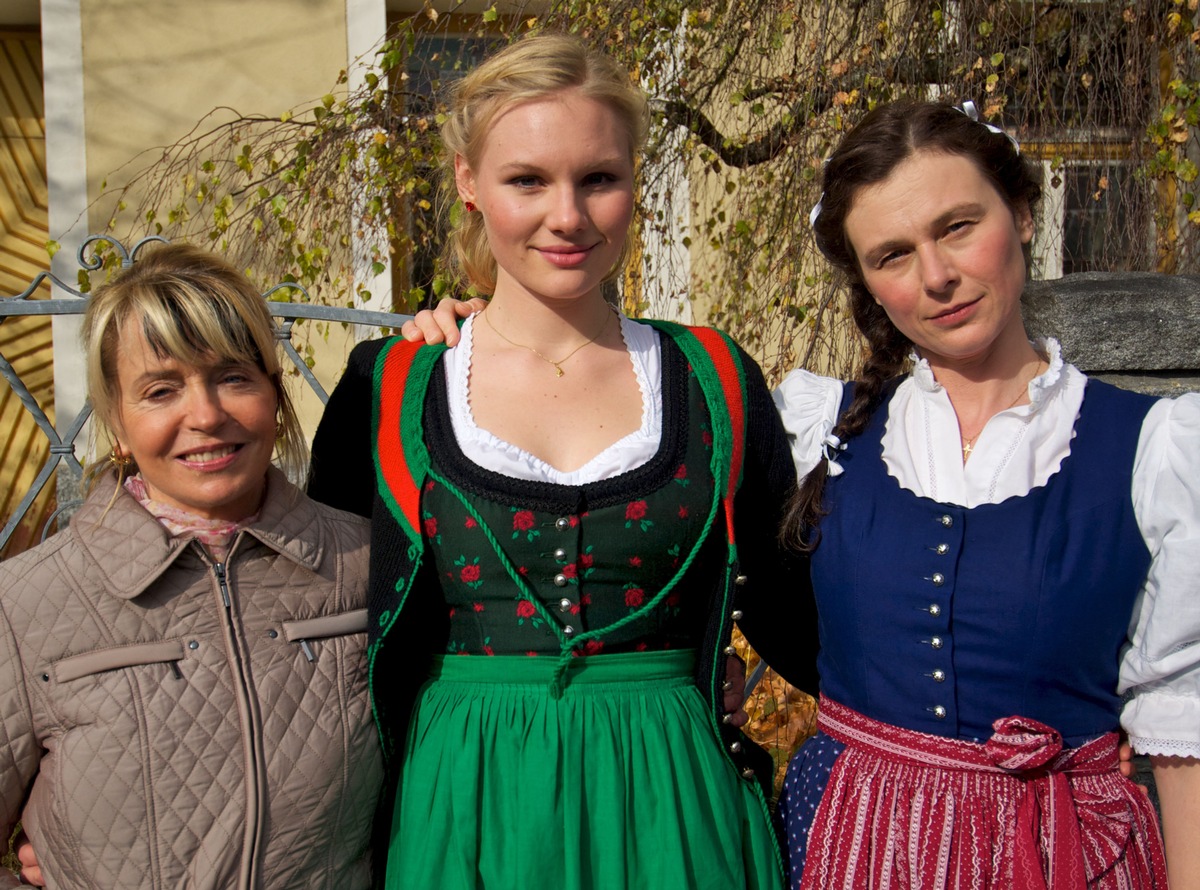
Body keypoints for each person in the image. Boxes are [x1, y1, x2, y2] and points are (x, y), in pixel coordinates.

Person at [306, 32, 813, 889]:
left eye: (600, 179)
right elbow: (303, 614)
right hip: (466, 801)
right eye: (528, 180)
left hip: (673, 799)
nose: (568, 216)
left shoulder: (714, 378)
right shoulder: (391, 386)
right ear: (470, 182)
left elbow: (807, 617)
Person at [771, 100, 1198, 888]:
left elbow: (1184, 718)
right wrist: (489, 334)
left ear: (1025, 213)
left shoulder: (1155, 449)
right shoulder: (814, 431)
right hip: (853, 845)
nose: (936, 276)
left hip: (1064, 854)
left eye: (958, 226)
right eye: (892, 255)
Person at [0, 243, 382, 888]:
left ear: (275, 395)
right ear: (117, 422)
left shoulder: (368, 565)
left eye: (234, 377)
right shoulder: (24, 603)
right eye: (160, 389)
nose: (205, 415)